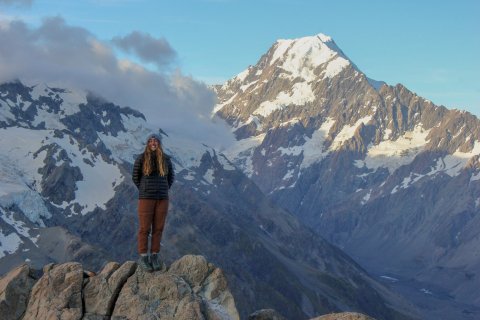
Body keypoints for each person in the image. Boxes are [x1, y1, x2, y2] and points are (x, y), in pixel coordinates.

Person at [132, 133, 174, 272]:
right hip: (146, 198)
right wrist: (144, 189)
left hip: (162, 198)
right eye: (150, 141)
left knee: (158, 228)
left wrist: (163, 189)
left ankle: (155, 256)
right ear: (147, 143)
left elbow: (171, 178)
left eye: (155, 141)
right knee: (145, 228)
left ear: (159, 143)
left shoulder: (166, 160)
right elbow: (135, 176)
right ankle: (143, 257)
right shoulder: (142, 158)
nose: (153, 143)